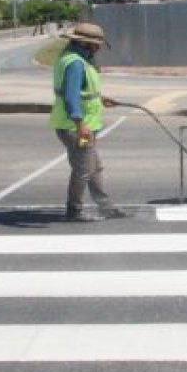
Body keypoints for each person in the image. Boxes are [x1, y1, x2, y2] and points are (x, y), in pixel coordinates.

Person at [49, 22, 128, 222]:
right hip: (74, 126)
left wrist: (99, 98)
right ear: (85, 43)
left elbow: (81, 91)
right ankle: (74, 210)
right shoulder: (75, 63)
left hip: (81, 124)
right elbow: (70, 96)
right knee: (84, 169)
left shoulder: (75, 59)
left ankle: (105, 206)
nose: (99, 48)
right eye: (96, 44)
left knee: (94, 166)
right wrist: (80, 124)